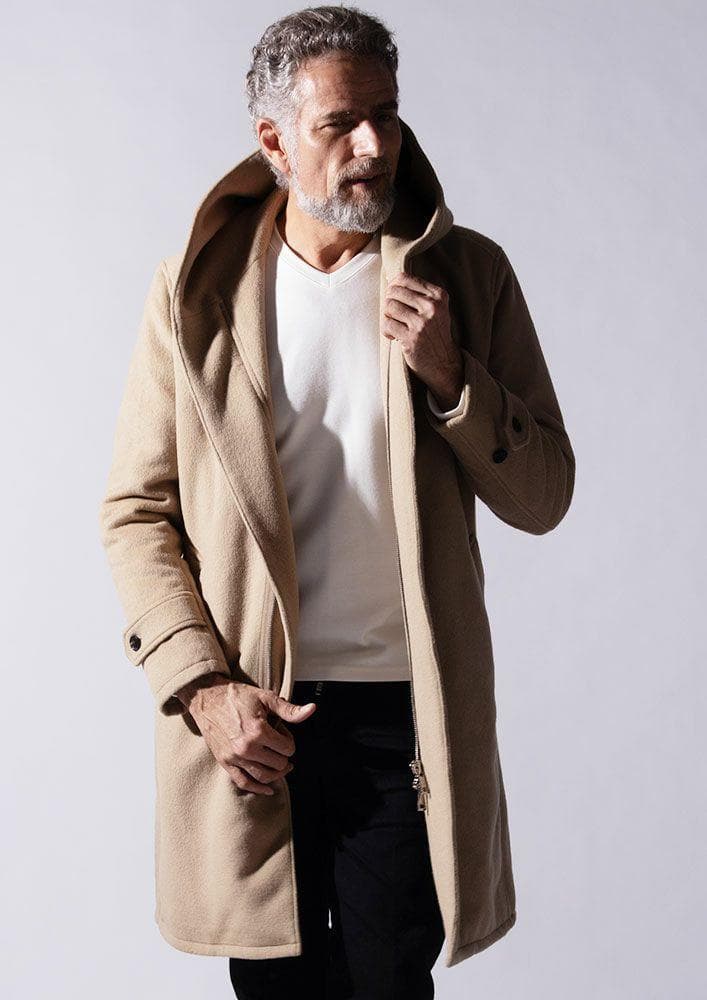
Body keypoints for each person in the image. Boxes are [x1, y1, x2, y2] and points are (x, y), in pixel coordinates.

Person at [98, 6, 575, 999]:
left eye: (386, 115)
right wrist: (202, 688)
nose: (373, 145)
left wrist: (453, 380)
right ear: (273, 141)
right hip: (251, 711)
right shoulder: (197, 291)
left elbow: (543, 497)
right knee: (271, 988)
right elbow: (137, 511)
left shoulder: (465, 276)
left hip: (403, 715)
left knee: (387, 980)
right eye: (339, 124)